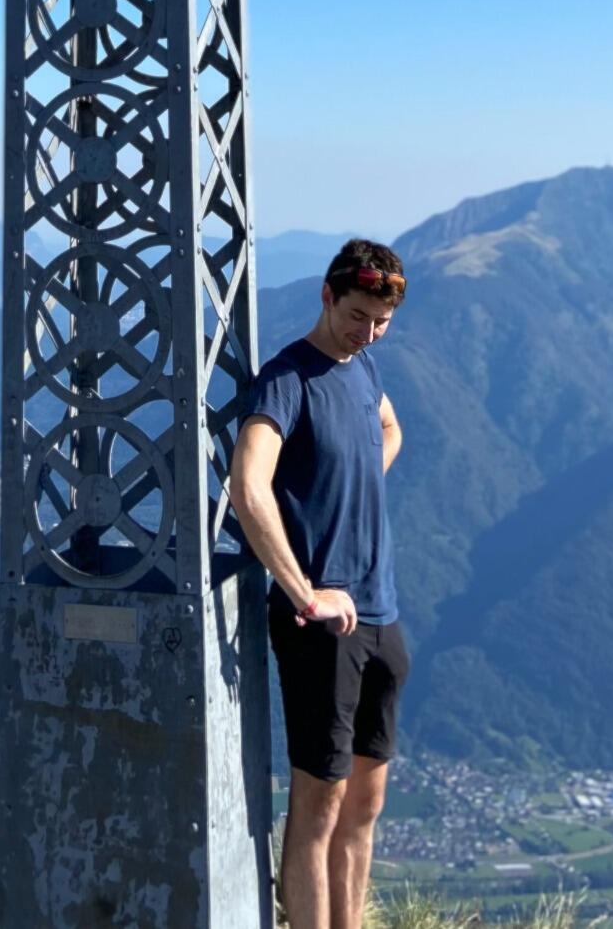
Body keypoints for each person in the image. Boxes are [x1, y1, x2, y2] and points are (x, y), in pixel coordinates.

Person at [229, 237, 409, 929]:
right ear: (327, 295)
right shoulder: (287, 378)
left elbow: (390, 430)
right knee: (319, 805)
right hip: (321, 626)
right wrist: (304, 590)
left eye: (380, 323)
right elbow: (248, 487)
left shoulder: (362, 371)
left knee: (364, 806)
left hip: (379, 612)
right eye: (357, 315)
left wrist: (354, 484)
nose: (366, 333)